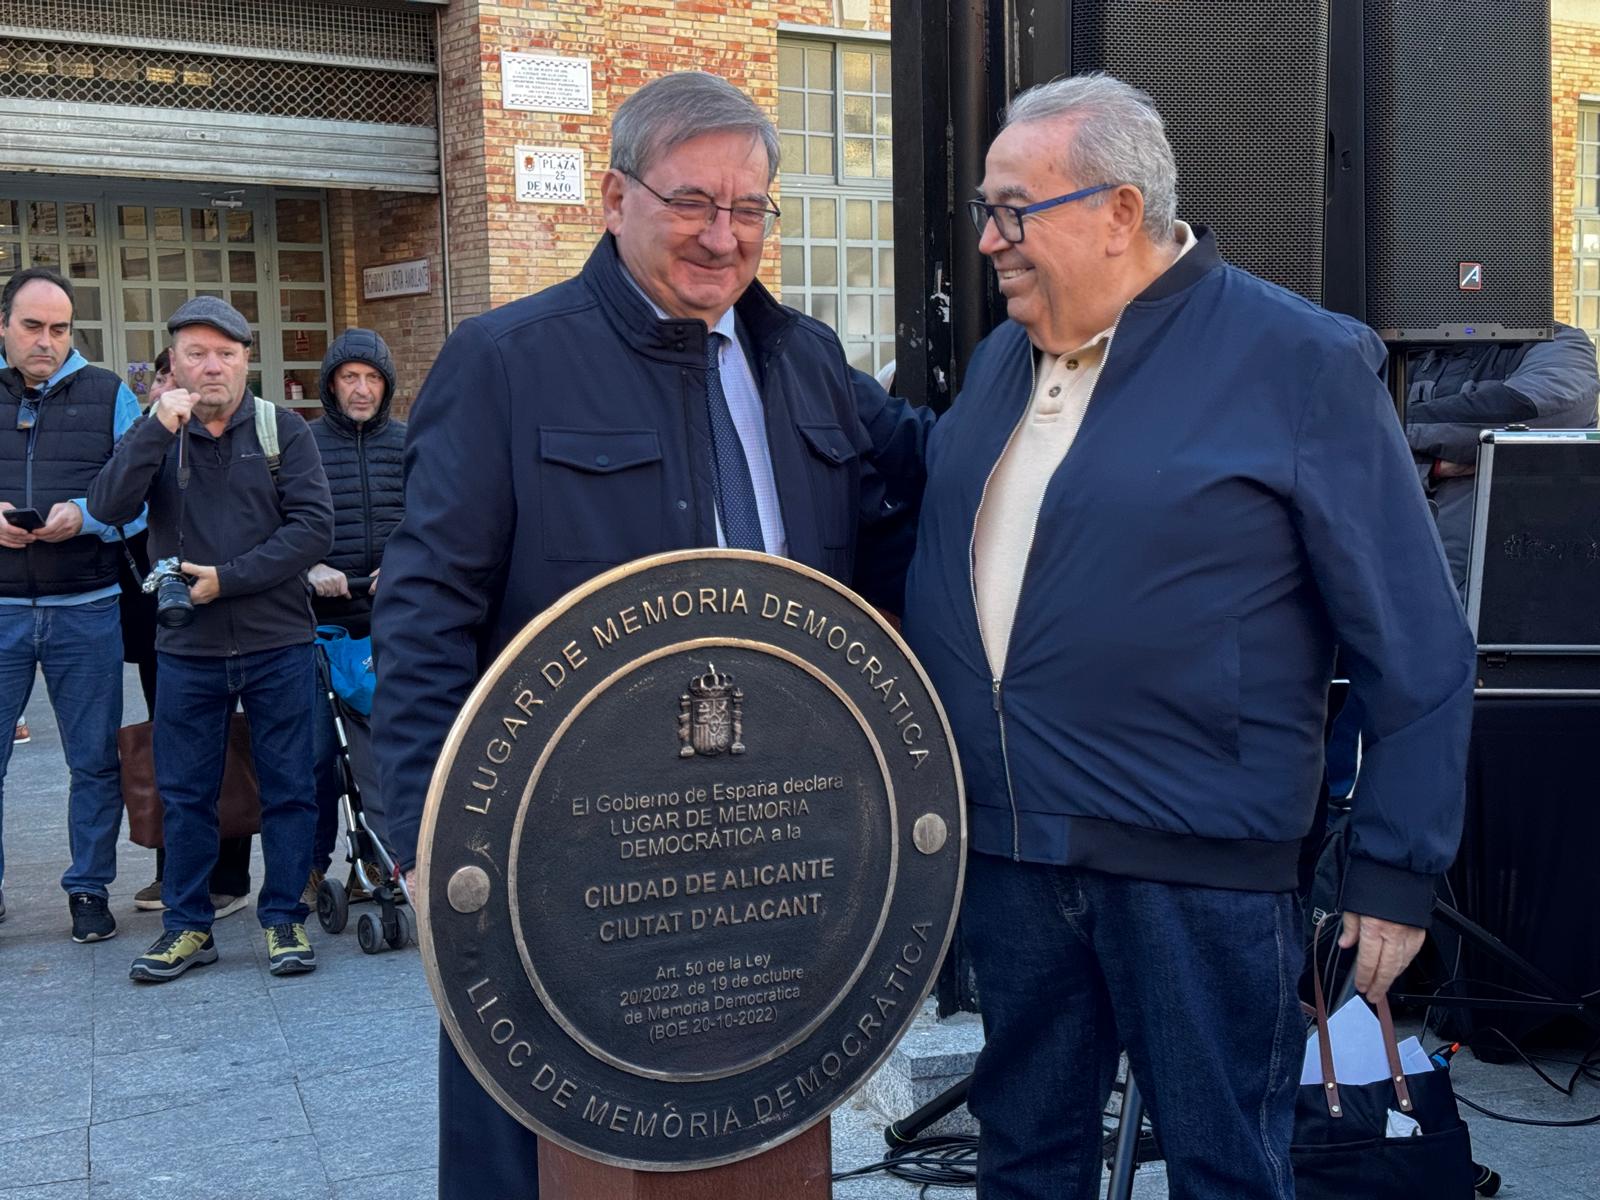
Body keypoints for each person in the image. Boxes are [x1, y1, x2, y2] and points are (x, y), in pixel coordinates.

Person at [900, 75, 1476, 1200]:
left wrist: (1396, 871)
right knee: (1022, 1161)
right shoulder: (995, 366)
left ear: (1118, 211)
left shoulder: (1298, 362)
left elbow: (1416, 644)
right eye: (987, 208)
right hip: (1015, 855)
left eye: (1015, 209)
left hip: (1195, 871)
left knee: (1224, 1170)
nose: (987, 239)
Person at [371, 70, 929, 1200]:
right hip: (557, 859)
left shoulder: (809, 362)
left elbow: (912, 509)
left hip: (767, 843)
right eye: (692, 203)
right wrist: (425, 836)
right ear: (614, 196)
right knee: (540, 1152)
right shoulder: (507, 363)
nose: (722, 237)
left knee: (760, 1130)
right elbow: (426, 609)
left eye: (748, 209)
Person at [88, 296, 334, 983]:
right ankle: (187, 926)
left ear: (246, 360)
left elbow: (313, 529)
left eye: (225, 353)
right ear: (172, 364)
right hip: (188, 652)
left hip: (276, 642)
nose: (211, 367)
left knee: (289, 787)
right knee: (186, 792)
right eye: (195, 354)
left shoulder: (283, 430)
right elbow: (106, 508)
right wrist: (152, 431)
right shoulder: (158, 434)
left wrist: (226, 580)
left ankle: (284, 918)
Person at [0, 266, 144, 944]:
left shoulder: (111, 393)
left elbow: (142, 501)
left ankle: (89, 888)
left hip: (86, 605)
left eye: (60, 329)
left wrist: (84, 517)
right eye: (33, 327)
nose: (47, 342)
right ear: (4, 326)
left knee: (93, 760)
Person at [123, 347, 253, 919]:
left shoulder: (230, 437)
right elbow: (113, 505)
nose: (170, 385)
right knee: (172, 750)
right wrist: (154, 431)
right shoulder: (145, 435)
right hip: (161, 614)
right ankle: (174, 869)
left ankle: (229, 874)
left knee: (230, 743)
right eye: (164, 375)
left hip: (228, 611)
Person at [304, 329, 405, 900]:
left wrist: (405, 569)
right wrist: (311, 567)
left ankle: (377, 864)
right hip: (320, 627)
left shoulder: (409, 445)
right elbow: (280, 526)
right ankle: (310, 866)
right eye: (350, 377)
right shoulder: (304, 444)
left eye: (372, 378)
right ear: (331, 385)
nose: (361, 389)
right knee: (317, 756)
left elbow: (431, 524)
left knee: (385, 753)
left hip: (390, 625)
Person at [1405, 322, 1600, 591]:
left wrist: (1393, 427)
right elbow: (1345, 441)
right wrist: (1432, 467)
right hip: (1398, 578)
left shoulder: (1556, 343)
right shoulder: (1404, 346)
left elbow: (1533, 410)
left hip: (1508, 587)